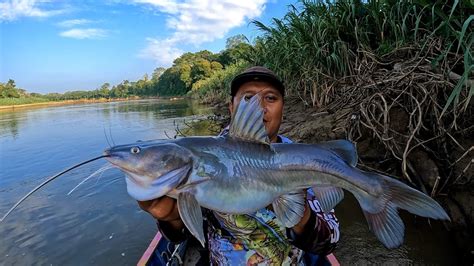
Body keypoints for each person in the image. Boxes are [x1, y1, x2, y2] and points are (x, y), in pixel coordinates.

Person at [138, 66, 340, 265]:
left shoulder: (306, 161)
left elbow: (330, 242)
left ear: (283, 106)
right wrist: (171, 219)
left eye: (271, 98)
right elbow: (181, 234)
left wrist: (294, 204)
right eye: (248, 99)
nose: (260, 107)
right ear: (232, 107)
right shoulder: (203, 157)